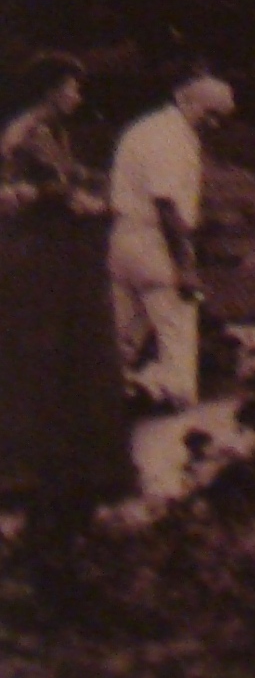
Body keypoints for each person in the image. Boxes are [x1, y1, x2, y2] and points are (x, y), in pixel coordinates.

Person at [0, 54, 137, 598]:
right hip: (34, 257)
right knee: (39, 351)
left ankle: (66, 459)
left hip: (57, 253)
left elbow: (65, 180)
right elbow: (22, 192)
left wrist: (89, 191)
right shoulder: (27, 132)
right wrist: (69, 198)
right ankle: (32, 465)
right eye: (73, 87)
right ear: (52, 89)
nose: (78, 96)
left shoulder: (51, 132)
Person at [109, 73, 235, 412]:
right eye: (211, 114)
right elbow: (166, 206)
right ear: (185, 100)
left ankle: (116, 395)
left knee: (123, 334)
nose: (215, 125)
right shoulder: (170, 139)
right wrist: (186, 267)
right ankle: (167, 399)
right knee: (177, 336)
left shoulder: (145, 128)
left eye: (222, 118)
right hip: (154, 244)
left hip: (123, 239)